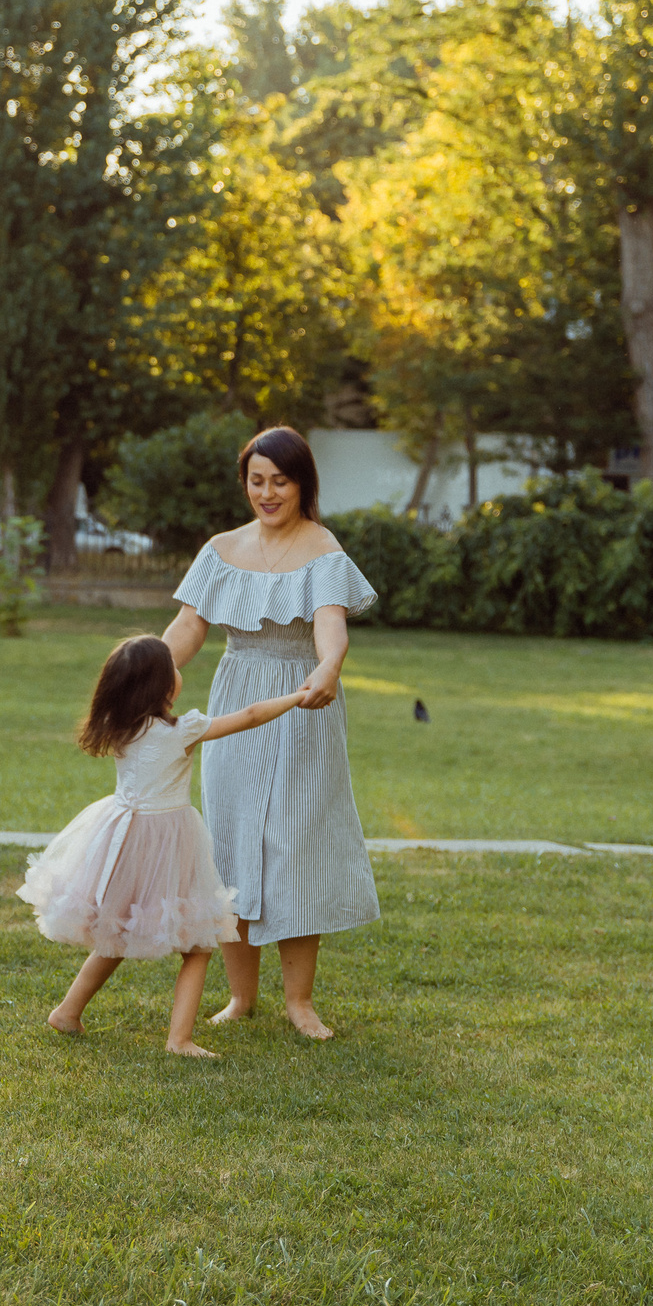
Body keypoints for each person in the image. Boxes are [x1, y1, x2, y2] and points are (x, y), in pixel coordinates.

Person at [163, 426, 379, 1040]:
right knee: (230, 840)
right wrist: (147, 672)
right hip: (236, 702)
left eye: (280, 481)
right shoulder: (221, 549)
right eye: (256, 481)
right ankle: (240, 996)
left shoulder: (323, 549)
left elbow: (331, 625)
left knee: (294, 842)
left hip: (302, 702)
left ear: (302, 483)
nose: (267, 493)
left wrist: (329, 667)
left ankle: (299, 1002)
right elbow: (189, 626)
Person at [19, 634, 318, 1058]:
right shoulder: (182, 730)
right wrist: (297, 696)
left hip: (122, 838)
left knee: (116, 931)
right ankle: (179, 1040)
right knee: (198, 947)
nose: (179, 671)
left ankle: (67, 1012)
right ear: (162, 686)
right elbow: (250, 716)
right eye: (173, 667)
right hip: (166, 842)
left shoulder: (120, 727)